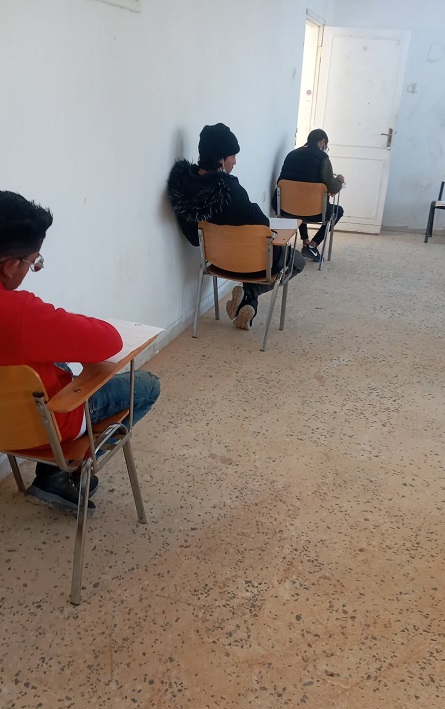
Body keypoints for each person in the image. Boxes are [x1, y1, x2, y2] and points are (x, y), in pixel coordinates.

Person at [0, 191, 160, 511]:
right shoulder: (22, 314)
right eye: (34, 263)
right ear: (11, 266)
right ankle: (68, 468)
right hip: (50, 425)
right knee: (147, 385)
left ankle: (55, 475)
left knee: (55, 361)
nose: (32, 270)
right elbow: (110, 342)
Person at [167, 123, 305, 330]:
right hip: (250, 263)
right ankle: (251, 292)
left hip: (216, 262)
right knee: (296, 260)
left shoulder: (183, 186)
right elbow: (263, 223)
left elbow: (194, 238)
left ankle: (249, 301)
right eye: (232, 155)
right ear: (220, 159)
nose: (235, 161)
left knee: (257, 254)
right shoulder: (230, 190)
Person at [272, 129, 345, 262]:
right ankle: (312, 245)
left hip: (285, 209)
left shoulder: (291, 154)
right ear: (322, 142)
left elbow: (280, 182)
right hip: (315, 213)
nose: (325, 149)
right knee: (337, 210)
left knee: (300, 201)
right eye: (326, 146)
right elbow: (332, 187)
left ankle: (305, 241)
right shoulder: (323, 158)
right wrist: (339, 181)